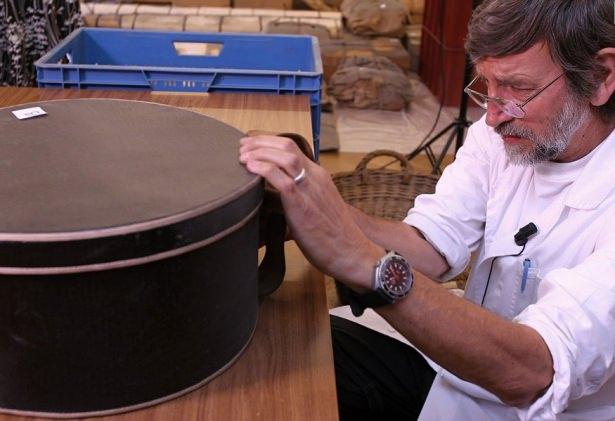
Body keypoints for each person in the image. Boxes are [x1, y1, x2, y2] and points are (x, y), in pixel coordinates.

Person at [239, 0, 615, 419]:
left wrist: (365, 262)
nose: (493, 117)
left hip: (548, 409)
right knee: (284, 351)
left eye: (518, 88)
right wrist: (312, 212)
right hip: (464, 379)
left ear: (601, 76)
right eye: (486, 85)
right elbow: (433, 247)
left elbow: (532, 373)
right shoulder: (503, 135)